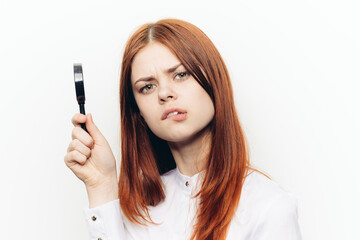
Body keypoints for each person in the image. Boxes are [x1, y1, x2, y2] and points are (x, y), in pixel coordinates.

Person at [64, 18, 302, 240]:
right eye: (147, 87)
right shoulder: (140, 211)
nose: (164, 93)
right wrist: (102, 185)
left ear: (214, 81)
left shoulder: (268, 206)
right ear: (138, 113)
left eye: (180, 74)